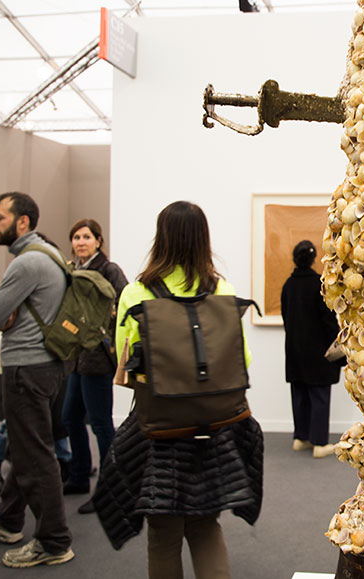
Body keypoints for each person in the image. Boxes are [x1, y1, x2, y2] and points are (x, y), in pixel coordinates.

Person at [94, 200, 262, 579]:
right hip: (214, 427)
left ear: (161, 238)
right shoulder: (222, 290)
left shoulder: (137, 293)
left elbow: (125, 366)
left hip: (160, 430)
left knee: (163, 533)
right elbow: (243, 360)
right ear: (203, 239)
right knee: (205, 525)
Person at [0, 191, 74, 568]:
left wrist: (5, 311)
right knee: (27, 446)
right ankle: (8, 518)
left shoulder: (27, 262)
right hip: (50, 365)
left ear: (22, 221)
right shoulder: (50, 254)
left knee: (35, 455)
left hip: (27, 369)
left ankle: (54, 541)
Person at [60, 219, 128, 514]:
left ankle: (109, 490)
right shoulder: (74, 270)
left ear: (98, 241)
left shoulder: (109, 270)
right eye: (76, 237)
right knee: (70, 417)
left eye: (86, 237)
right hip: (78, 357)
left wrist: (107, 329)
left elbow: (126, 302)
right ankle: (79, 475)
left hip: (98, 358)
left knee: (100, 423)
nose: (80, 242)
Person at [280, 240, 342, 459]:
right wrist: (339, 341)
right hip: (317, 352)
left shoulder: (288, 285)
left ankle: (301, 438)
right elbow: (328, 320)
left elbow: (286, 317)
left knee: (300, 394)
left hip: (295, 350)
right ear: (314, 259)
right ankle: (319, 443)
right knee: (319, 396)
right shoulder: (319, 284)